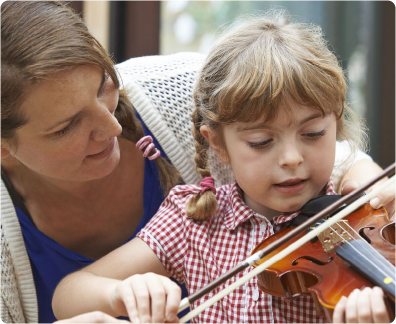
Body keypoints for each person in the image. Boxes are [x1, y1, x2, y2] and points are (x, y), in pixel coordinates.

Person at [0, 1, 394, 324]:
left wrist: (374, 190)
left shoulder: (360, 221)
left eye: (313, 135)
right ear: (216, 145)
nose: (292, 159)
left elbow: (349, 161)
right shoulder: (194, 220)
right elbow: (68, 295)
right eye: (260, 142)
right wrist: (122, 293)